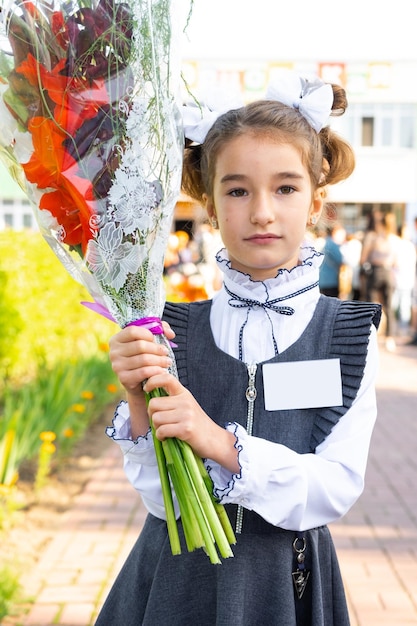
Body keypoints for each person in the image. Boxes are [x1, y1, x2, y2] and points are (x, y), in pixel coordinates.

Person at [95, 72, 381, 626]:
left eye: (285, 187)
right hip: (176, 586)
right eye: (237, 189)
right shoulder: (171, 330)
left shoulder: (347, 334)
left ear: (317, 201)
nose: (262, 211)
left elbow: (333, 486)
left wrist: (220, 442)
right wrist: (138, 403)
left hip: (285, 588)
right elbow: (163, 502)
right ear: (208, 203)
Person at [360, 211, 398, 351]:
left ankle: (370, 336)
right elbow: (396, 261)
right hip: (388, 273)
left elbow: (363, 258)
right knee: (388, 306)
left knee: (370, 306)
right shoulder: (393, 239)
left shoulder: (373, 237)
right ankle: (390, 338)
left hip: (375, 272)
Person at [318, 224, 344, 297]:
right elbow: (340, 260)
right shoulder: (333, 245)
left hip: (323, 280)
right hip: (331, 281)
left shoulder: (326, 242)